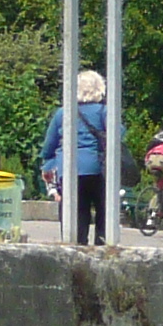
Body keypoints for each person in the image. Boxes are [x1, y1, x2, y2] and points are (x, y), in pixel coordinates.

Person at [38, 71, 111, 247]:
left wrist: (47, 166)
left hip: (69, 170)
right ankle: (102, 252)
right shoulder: (105, 111)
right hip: (98, 169)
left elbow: (50, 145)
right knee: (104, 216)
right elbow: (119, 135)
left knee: (75, 220)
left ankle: (76, 256)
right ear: (100, 88)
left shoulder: (63, 113)